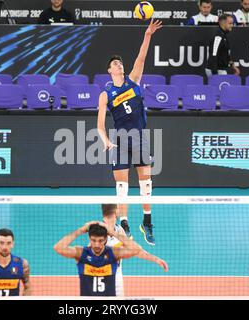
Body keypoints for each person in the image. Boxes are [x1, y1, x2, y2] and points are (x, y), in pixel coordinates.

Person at [97, 19, 162, 246]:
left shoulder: (133, 81)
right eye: (115, 64)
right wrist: (105, 140)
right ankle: (124, 224)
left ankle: (147, 221)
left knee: (146, 182)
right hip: (119, 141)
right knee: (122, 187)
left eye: (120, 63)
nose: (119, 65)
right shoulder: (106, 94)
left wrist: (148, 35)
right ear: (109, 70)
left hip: (139, 138)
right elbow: (99, 125)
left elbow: (141, 58)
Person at [54, 221, 141, 296]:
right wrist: (81, 230)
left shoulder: (112, 254)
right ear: (89, 238)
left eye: (100, 240)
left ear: (106, 238)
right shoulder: (82, 254)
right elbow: (58, 248)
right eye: (93, 240)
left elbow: (136, 249)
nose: (96, 245)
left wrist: (113, 233)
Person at [101, 204, 168, 296]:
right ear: (116, 212)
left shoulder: (119, 230)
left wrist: (156, 259)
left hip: (117, 281)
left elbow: (135, 250)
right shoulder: (99, 233)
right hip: (102, 280)